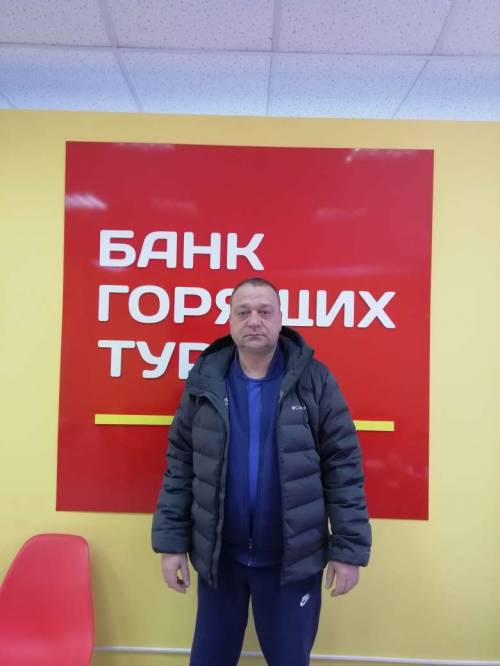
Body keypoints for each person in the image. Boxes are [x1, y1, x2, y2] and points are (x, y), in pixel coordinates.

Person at [152, 277, 371, 666]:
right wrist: (171, 545)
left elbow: (343, 467)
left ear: (280, 318)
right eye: (244, 312)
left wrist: (348, 550)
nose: (254, 320)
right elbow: (181, 465)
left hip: (292, 563)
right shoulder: (206, 380)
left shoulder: (314, 380)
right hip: (221, 560)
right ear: (230, 320)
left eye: (264, 311)